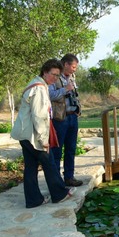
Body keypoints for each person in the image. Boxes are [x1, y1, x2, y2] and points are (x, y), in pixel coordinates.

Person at [11, 59, 76, 208]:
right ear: (45, 72)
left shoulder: (37, 84)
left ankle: (34, 200)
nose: (55, 78)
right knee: (49, 163)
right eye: (53, 74)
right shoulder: (39, 88)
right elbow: (39, 116)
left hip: (25, 134)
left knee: (31, 167)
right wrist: (43, 140)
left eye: (57, 75)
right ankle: (59, 194)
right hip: (33, 136)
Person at [49, 53, 83, 187]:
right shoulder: (55, 77)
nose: (75, 69)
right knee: (57, 150)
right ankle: (56, 181)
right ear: (66, 65)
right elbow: (50, 95)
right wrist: (65, 90)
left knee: (71, 149)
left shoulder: (72, 77)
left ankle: (69, 177)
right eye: (73, 67)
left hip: (72, 117)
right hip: (60, 119)